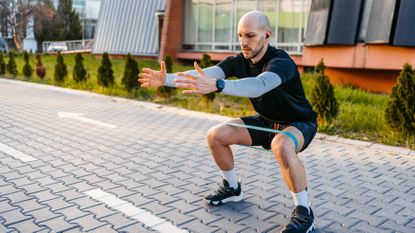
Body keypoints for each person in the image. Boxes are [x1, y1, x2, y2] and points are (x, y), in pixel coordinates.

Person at [138, 10, 317, 233]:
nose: (243, 42)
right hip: (266, 122)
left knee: (281, 145)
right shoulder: (239, 61)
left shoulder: (281, 62)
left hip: (299, 123)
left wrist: (220, 86)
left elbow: (259, 85)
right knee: (216, 135)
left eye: (250, 35)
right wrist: (167, 79)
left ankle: (304, 211)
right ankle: (232, 187)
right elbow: (207, 74)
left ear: (267, 35)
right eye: (240, 35)